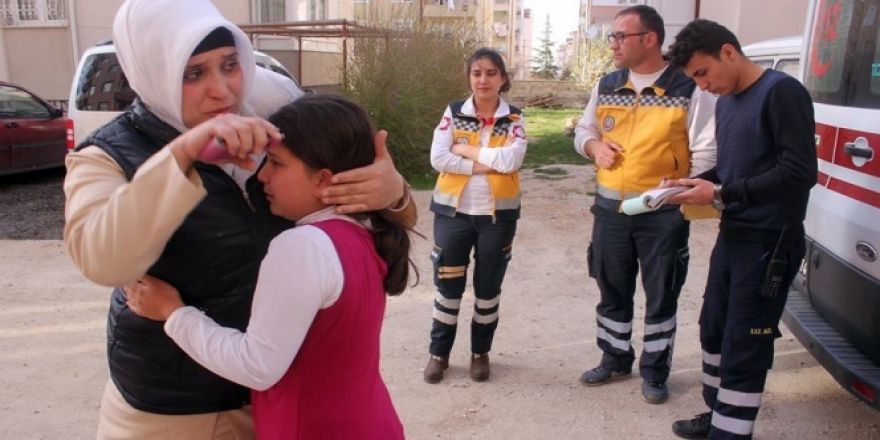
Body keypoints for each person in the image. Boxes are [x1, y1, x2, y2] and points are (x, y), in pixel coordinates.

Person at [62, 0, 414, 438]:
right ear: (154, 72)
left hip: (277, 404)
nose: (223, 90)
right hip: (174, 412)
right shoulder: (107, 157)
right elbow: (104, 262)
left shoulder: (270, 108)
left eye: (230, 64)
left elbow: (364, 210)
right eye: (193, 74)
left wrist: (394, 193)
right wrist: (185, 152)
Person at [124, 94, 408, 439]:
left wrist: (173, 312)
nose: (262, 177)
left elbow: (257, 366)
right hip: (369, 423)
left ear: (322, 180)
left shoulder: (302, 247)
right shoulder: (366, 228)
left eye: (275, 163)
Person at [663, 20, 817, 439]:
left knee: (746, 344)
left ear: (728, 52)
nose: (703, 85)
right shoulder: (727, 100)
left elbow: (800, 172)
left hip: (770, 244)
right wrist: (696, 182)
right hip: (734, 237)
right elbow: (733, 171)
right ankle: (716, 417)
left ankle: (731, 433)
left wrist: (722, 191)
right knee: (714, 330)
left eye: (703, 73)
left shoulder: (782, 92)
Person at [572, 4, 717, 404]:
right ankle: (615, 357)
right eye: (613, 37)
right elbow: (583, 131)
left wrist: (683, 185)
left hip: (662, 215)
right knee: (611, 288)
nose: (613, 43)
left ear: (649, 39)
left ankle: (654, 371)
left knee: (661, 293)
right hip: (609, 211)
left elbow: (706, 151)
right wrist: (594, 145)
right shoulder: (607, 84)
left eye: (621, 36)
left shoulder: (687, 88)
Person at [423, 47, 527, 383]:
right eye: (477, 73)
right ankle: (439, 354)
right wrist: (485, 164)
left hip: (497, 218)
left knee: (487, 289)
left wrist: (464, 149)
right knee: (448, 287)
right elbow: (439, 159)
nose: (483, 80)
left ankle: (480, 354)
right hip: (454, 215)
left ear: (503, 79)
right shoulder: (453, 112)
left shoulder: (514, 118)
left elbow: (511, 161)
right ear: (469, 77)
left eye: (491, 73)